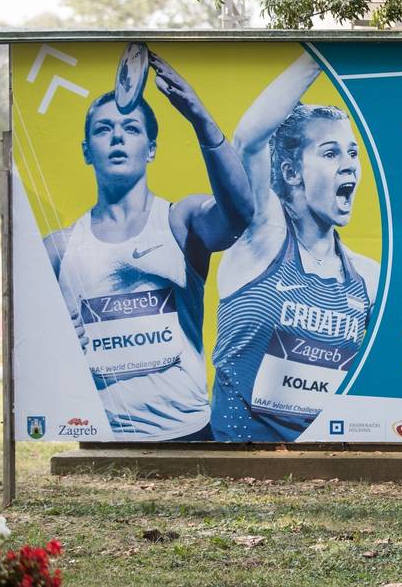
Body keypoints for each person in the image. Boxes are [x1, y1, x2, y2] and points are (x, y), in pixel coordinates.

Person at [44, 51, 253, 441]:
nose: (117, 137)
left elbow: (240, 213)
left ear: (151, 149)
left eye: (131, 128)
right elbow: (28, 346)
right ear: (87, 150)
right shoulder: (57, 249)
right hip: (101, 437)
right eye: (103, 129)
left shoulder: (181, 221)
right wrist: (55, 340)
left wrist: (200, 118)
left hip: (188, 434)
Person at [210, 51, 380, 442]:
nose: (349, 164)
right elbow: (248, 141)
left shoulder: (367, 277)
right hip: (238, 457)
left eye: (353, 152)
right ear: (291, 171)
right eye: (331, 153)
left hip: (324, 459)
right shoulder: (262, 237)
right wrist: (321, 53)